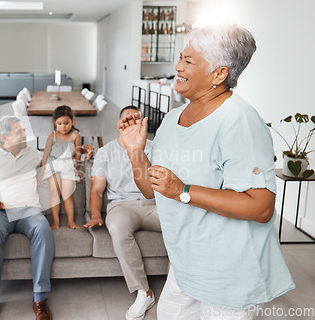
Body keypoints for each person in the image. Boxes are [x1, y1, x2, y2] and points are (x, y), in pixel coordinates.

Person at [118, 23, 295, 319]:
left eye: (188, 61)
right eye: (181, 57)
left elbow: (261, 207)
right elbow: (152, 189)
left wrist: (183, 191)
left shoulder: (239, 120)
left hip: (228, 273)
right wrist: (136, 152)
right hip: (184, 264)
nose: (177, 66)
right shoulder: (173, 119)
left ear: (219, 74)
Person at [84, 105, 161, 320]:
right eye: (127, 119)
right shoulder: (105, 152)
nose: (132, 121)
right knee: (117, 228)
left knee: (182, 223)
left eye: (137, 118)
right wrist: (96, 214)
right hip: (121, 206)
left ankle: (188, 283)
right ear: (120, 125)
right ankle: (144, 292)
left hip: (154, 204)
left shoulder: (155, 147)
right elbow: (97, 190)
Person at [0, 116, 54, 320]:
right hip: (0, 214)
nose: (24, 134)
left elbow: (53, 157)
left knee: (43, 229)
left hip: (29, 211)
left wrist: (84, 152)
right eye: (19, 132)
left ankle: (39, 298)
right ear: (4, 137)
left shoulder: (33, 154)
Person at [38, 105, 94, 229]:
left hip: (68, 165)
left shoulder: (76, 135)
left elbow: (78, 154)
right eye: (60, 124)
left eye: (66, 123)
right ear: (55, 123)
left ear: (72, 121)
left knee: (67, 194)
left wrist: (78, 169)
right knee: (55, 193)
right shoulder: (52, 136)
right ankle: (56, 222)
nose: (63, 127)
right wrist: (41, 172)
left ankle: (70, 221)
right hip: (54, 165)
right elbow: (46, 154)